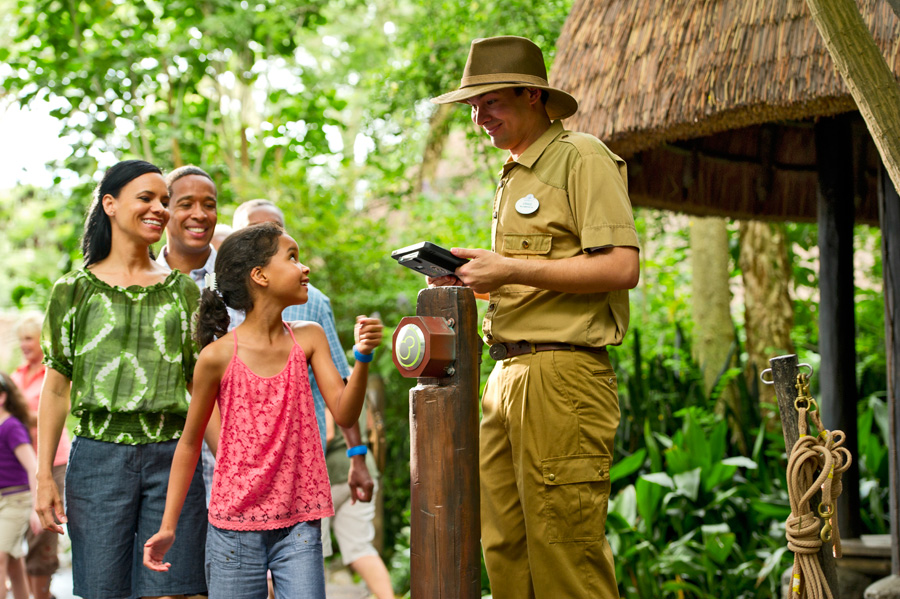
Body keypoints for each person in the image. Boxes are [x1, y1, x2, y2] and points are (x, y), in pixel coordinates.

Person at [429, 36, 641, 598]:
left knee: (565, 555)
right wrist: (477, 277)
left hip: (562, 378)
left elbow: (621, 267)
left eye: (490, 103)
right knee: (505, 553)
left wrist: (510, 269)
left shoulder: (581, 156)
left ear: (531, 95)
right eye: (473, 108)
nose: (479, 120)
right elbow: (530, 273)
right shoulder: (514, 174)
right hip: (507, 375)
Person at [142, 222, 384, 599]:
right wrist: (168, 526)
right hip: (233, 528)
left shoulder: (309, 337)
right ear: (259, 276)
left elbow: (345, 413)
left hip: (299, 524)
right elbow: (189, 445)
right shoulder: (217, 356)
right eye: (292, 257)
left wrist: (363, 359)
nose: (304, 268)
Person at [36, 160, 209, 599]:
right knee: (102, 591)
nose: (160, 209)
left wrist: (233, 467)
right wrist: (44, 478)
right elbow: (55, 387)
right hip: (97, 461)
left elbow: (201, 390)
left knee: (171, 591)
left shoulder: (183, 291)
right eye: (147, 198)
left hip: (172, 460)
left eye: (164, 201)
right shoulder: (73, 290)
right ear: (109, 205)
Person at [232, 199, 375, 504]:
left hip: (303, 471)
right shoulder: (218, 312)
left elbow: (338, 387)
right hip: (241, 483)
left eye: (274, 232)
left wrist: (357, 456)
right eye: (254, 232)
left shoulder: (312, 305)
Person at [156, 165, 226, 504]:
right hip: (157, 458)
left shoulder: (240, 278)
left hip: (230, 457)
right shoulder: (142, 281)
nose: (199, 214)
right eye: (186, 204)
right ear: (165, 210)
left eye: (209, 204)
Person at [9, 314, 69, 599]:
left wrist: (17, 418)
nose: (24, 345)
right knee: (19, 537)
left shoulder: (51, 375)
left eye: (29, 338)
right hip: (20, 464)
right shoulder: (16, 375)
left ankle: (41, 595)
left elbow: (51, 413)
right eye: (21, 339)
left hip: (54, 460)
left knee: (42, 533)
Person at [322, 408, 394, 599]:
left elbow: (327, 432)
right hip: (364, 467)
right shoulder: (355, 380)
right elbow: (370, 425)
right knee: (359, 547)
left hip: (334, 471)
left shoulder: (325, 378)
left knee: (309, 545)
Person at [0, 373, 40, 599]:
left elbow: (32, 467)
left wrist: (37, 507)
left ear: (2, 397)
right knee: (14, 565)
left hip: (15, 502)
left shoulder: (11, 427)